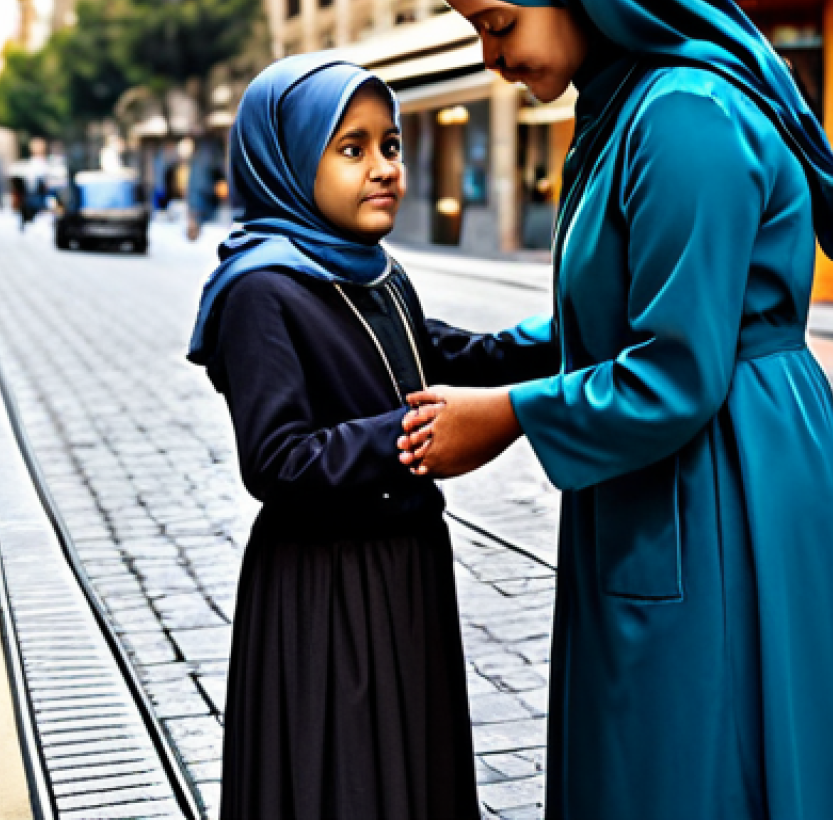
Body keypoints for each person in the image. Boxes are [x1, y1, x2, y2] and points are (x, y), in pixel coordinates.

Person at [399, 0, 833, 820]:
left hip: (721, 465)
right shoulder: (629, 106)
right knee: (667, 734)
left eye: (498, 24)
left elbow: (675, 367)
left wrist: (510, 414)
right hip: (691, 459)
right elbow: (623, 306)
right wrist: (482, 354)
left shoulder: (681, 117)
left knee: (701, 746)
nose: (490, 56)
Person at [187, 53, 557, 820]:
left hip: (406, 566)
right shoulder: (262, 290)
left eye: (388, 144)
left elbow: (448, 355)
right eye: (350, 148)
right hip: (327, 587)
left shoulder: (375, 272)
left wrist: (565, 332)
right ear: (286, 159)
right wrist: (417, 431)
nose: (384, 166)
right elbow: (278, 461)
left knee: (410, 772)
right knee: (346, 779)